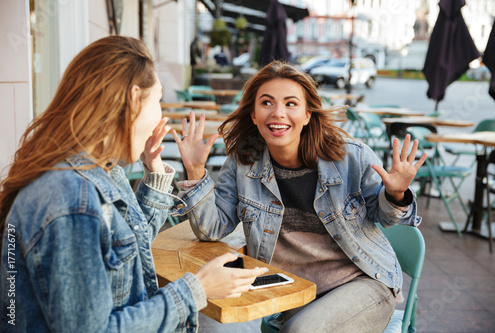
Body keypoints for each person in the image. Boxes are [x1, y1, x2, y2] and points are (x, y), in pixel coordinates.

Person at [0, 36, 267, 332]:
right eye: (158, 101)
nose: (160, 118)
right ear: (133, 97)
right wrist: (196, 290)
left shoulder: (97, 171)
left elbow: (127, 247)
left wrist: (155, 176)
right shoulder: (72, 199)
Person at [171, 60, 427, 332]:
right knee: (205, 319)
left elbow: (386, 218)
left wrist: (396, 193)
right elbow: (212, 228)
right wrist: (196, 171)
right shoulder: (242, 163)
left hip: (362, 283)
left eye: (291, 104)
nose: (278, 113)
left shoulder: (351, 156)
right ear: (254, 115)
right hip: (291, 291)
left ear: (307, 114)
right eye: (267, 103)